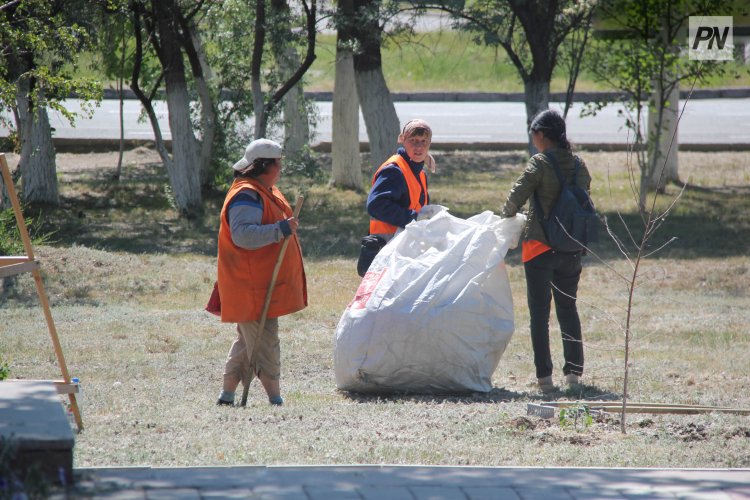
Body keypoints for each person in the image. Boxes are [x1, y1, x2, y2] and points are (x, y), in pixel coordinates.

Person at [500, 110, 591, 393]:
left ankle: (545, 379)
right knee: (568, 308)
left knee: (539, 314)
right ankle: (574, 374)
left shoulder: (540, 163)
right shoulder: (579, 165)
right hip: (571, 248)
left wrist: (507, 216)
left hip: (539, 248)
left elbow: (516, 196)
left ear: (541, 135)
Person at [215, 138, 307, 406]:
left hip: (259, 282)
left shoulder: (264, 189)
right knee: (264, 339)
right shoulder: (247, 194)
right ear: (264, 166)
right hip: (250, 283)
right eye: (278, 164)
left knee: (249, 340)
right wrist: (280, 229)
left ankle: (227, 394)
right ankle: (275, 399)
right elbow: (243, 235)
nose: (281, 169)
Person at [366, 119, 436, 241]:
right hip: (386, 247)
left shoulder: (420, 173)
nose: (418, 147)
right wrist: (413, 218)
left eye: (424, 141)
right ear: (403, 141)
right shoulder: (394, 171)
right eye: (413, 140)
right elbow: (376, 205)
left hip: (407, 245)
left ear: (429, 143)